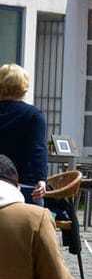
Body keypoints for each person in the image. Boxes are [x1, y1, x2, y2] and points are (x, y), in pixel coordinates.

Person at [0, 64, 48, 203]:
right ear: (24, 87)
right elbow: (37, 150)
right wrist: (41, 179)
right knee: (33, 222)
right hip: (25, 183)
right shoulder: (33, 115)